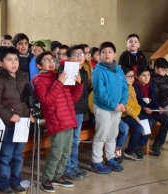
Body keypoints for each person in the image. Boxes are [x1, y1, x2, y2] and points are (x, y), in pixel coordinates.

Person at [32, 51, 83, 192]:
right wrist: (59, 82)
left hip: (68, 118)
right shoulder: (38, 79)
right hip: (56, 120)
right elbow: (46, 100)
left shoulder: (58, 76)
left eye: (52, 59)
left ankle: (58, 176)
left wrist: (79, 84)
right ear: (39, 65)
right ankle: (47, 179)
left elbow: (73, 98)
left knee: (66, 151)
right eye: (46, 60)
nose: (51, 62)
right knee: (56, 152)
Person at [0, 46, 33, 194]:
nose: (14, 63)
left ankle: (15, 181)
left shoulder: (23, 77)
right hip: (7, 125)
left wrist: (31, 113)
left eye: (16, 59)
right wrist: (9, 115)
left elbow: (28, 98)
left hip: (22, 124)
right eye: (9, 59)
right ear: (0, 63)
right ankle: (3, 182)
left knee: (18, 155)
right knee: (5, 156)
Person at [90, 42, 127, 174]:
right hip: (103, 108)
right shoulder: (98, 70)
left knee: (112, 134)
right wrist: (114, 105)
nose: (107, 54)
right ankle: (96, 161)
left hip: (117, 108)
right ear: (100, 55)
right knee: (101, 134)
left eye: (109, 52)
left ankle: (110, 158)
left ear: (114, 54)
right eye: (104, 52)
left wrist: (123, 102)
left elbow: (124, 87)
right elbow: (100, 92)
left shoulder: (119, 69)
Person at [61, 45, 89, 181]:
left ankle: (75, 164)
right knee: (69, 141)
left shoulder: (84, 71)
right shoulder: (65, 70)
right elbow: (66, 91)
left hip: (80, 110)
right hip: (69, 110)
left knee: (76, 140)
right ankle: (67, 167)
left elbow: (84, 94)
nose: (78, 57)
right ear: (69, 57)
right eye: (75, 54)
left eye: (81, 54)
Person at [133, 65, 168, 156]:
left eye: (148, 75)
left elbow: (154, 99)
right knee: (150, 121)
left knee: (166, 120)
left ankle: (156, 146)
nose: (147, 78)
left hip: (151, 109)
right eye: (144, 75)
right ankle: (140, 145)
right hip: (140, 110)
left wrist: (158, 107)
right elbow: (136, 102)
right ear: (137, 76)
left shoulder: (151, 85)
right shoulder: (134, 86)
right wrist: (144, 108)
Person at [121, 67, 149, 161]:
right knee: (138, 127)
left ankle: (139, 146)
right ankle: (129, 151)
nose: (132, 79)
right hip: (123, 115)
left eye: (133, 76)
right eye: (129, 76)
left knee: (146, 122)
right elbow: (125, 106)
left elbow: (136, 103)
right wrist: (135, 116)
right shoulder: (120, 88)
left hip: (133, 113)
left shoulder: (131, 87)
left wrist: (137, 113)